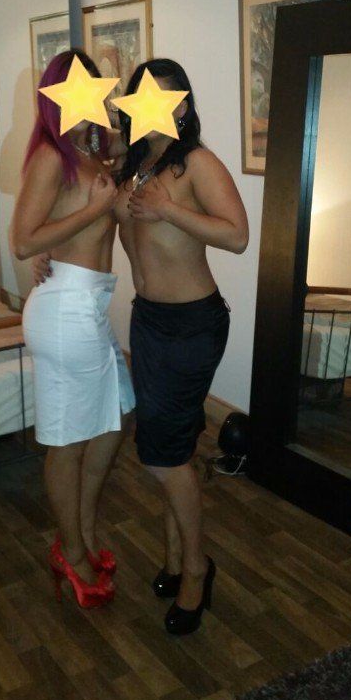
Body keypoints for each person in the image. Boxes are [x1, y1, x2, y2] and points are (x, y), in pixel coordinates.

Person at [115, 58, 249, 635]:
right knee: (171, 446)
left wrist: (168, 208)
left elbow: (237, 235)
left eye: (164, 98)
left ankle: (197, 568)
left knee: (161, 456)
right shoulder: (132, 165)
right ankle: (174, 557)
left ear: (184, 106)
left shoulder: (195, 163)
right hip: (147, 321)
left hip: (192, 325)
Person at [11, 49, 135, 610]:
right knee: (69, 440)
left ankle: (79, 532)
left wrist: (119, 86)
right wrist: (91, 210)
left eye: (97, 88)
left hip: (87, 306)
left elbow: (129, 143)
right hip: (65, 312)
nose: (93, 98)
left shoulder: (93, 150)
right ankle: (73, 552)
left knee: (117, 415)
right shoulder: (50, 156)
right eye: (81, 88)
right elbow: (22, 241)